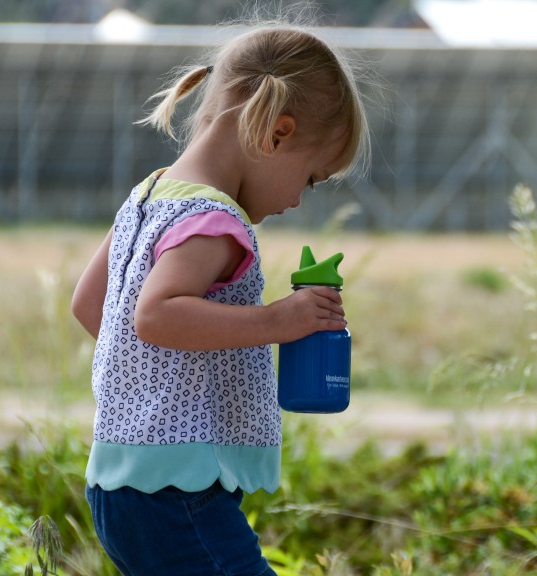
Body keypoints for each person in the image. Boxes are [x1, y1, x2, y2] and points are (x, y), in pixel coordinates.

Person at [70, 15, 370, 576]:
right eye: (310, 178)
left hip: (122, 480)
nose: (300, 202)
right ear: (277, 133)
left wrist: (165, 373)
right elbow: (155, 315)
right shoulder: (213, 220)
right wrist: (277, 321)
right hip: (176, 490)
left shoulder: (149, 195)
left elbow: (94, 308)